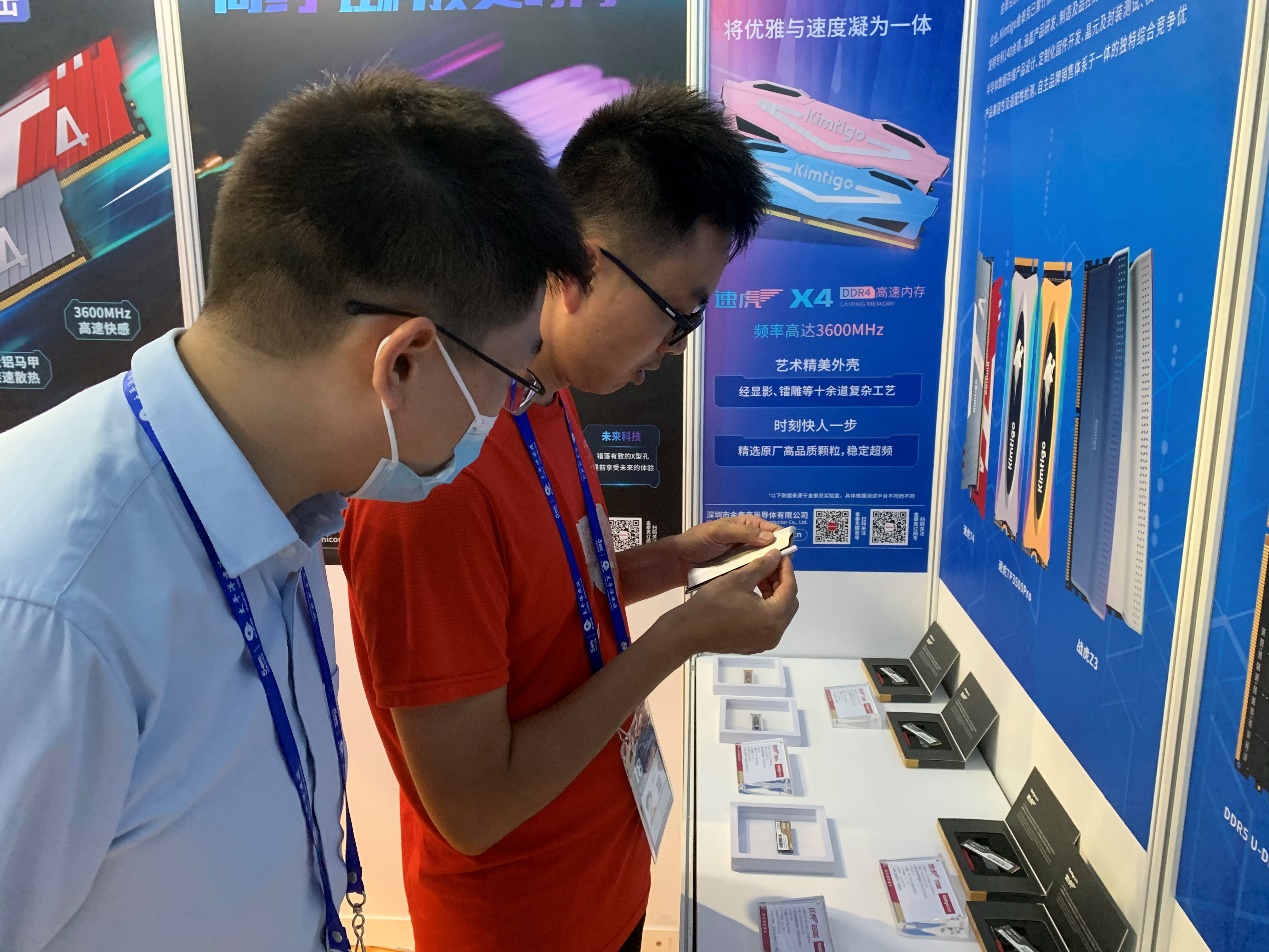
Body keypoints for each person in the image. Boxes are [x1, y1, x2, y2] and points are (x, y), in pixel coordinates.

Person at [0, 69, 589, 952]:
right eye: (508, 378)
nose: (506, 411)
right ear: (401, 362)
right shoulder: (53, 611)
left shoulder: (284, 494)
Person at [340, 84, 798, 952]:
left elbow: (546, 610)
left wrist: (678, 558)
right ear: (584, 268)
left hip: (602, 875)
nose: (676, 347)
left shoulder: (541, 396)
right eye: (677, 312)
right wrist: (679, 637)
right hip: (517, 923)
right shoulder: (431, 480)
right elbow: (473, 810)